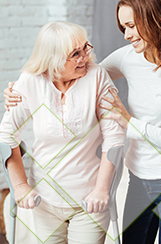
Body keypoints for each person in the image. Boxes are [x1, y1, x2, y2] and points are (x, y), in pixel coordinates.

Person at [4, 0, 161, 243]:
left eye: (131, 25)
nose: (127, 35)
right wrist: (21, 88)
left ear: (152, 20)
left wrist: (129, 122)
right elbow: (88, 74)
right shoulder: (127, 57)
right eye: (123, 27)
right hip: (138, 178)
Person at [0, 21, 125, 244]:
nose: (84, 57)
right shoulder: (31, 81)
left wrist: (101, 190)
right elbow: (7, 135)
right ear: (53, 59)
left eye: (85, 48)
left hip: (89, 200)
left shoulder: (97, 77)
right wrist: (19, 186)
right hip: (44, 200)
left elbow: (114, 139)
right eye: (75, 54)